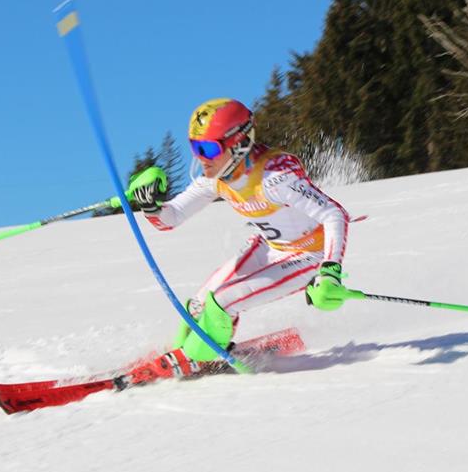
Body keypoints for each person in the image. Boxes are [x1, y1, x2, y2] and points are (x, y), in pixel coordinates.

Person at [117, 97, 351, 385]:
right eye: (195, 147)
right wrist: (151, 205)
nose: (200, 157)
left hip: (309, 255)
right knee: (198, 305)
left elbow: (334, 214)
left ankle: (196, 357)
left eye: (208, 148)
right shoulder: (216, 177)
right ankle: (182, 352)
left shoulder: (275, 178)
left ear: (238, 144)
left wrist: (330, 272)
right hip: (269, 247)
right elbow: (172, 218)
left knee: (223, 303)